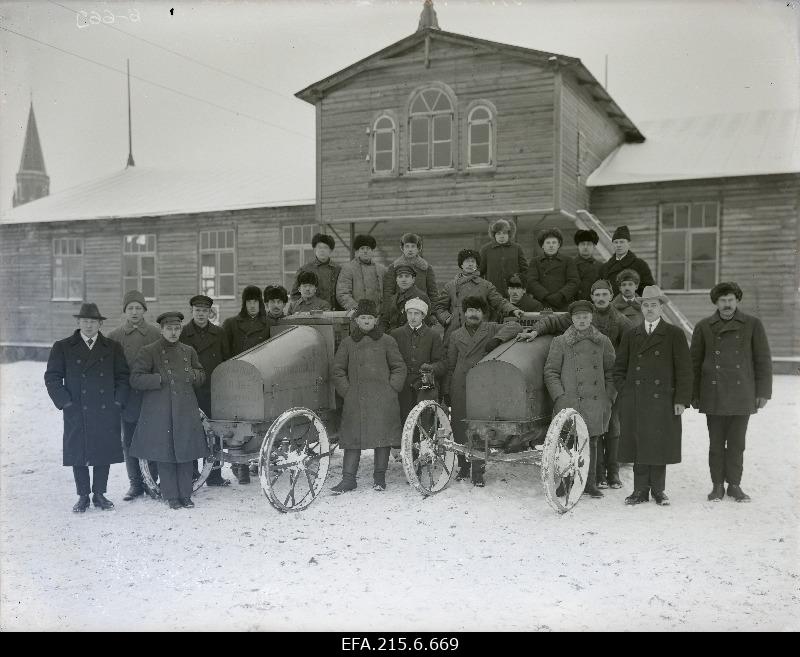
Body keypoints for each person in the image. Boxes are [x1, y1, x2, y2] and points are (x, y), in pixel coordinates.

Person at [522, 279, 632, 488]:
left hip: (606, 383)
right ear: (591, 297)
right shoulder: (576, 318)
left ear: (611, 296)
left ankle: (612, 472)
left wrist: (612, 391)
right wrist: (536, 330)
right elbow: (552, 322)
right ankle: (593, 476)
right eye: (597, 294)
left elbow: (630, 347)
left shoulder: (620, 320)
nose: (600, 298)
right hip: (576, 389)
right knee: (580, 434)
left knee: (611, 428)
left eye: (604, 294)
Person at [690, 282, 772, 503]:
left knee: (737, 443)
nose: (727, 304)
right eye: (723, 300)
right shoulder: (704, 326)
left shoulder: (753, 325)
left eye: (731, 300)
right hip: (712, 393)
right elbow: (694, 363)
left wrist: (764, 391)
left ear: (737, 301)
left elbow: (762, 360)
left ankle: (734, 485)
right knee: (715, 443)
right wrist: (694, 394)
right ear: (716, 302)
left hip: (742, 393)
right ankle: (717, 485)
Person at [45, 302, 130, 513]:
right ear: (78, 322)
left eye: (93, 322)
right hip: (77, 409)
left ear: (100, 324)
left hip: (105, 409)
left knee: (103, 451)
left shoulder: (112, 347)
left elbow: (122, 377)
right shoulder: (63, 346)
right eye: (85, 321)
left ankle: (100, 494)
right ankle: (83, 496)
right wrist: (65, 402)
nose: (89, 325)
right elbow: (52, 377)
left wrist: (117, 401)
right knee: (78, 452)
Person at [613, 286, 692, 506]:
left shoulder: (674, 334)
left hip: (664, 400)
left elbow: (685, 370)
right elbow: (619, 368)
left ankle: (658, 490)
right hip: (636, 399)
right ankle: (639, 491)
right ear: (641, 307)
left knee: (659, 444)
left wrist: (681, 400)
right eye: (646, 305)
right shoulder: (631, 335)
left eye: (654, 305)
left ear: (661, 308)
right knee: (639, 444)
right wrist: (626, 390)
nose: (649, 309)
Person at [129, 312, 208, 510]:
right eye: (169, 329)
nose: (173, 333)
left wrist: (194, 375)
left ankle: (186, 495)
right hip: (160, 410)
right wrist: (158, 379)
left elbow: (201, 375)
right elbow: (135, 379)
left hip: (185, 408)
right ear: (162, 330)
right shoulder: (149, 351)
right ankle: (171, 495)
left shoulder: (188, 351)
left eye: (177, 329)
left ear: (180, 329)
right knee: (165, 454)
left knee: (185, 452)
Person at [444, 296, 523, 487]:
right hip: (461, 385)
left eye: (477, 310)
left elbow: (515, 326)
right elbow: (450, 364)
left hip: (485, 385)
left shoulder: (491, 328)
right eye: (470, 310)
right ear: (464, 313)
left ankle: (477, 470)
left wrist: (496, 339)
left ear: (483, 313)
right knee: (460, 427)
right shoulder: (455, 335)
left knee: (480, 428)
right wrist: (448, 389)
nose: (473, 314)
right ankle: (463, 466)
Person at [331, 299, 407, 493]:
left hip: (383, 398)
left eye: (370, 318)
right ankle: (348, 479)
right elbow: (338, 369)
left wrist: (392, 388)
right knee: (352, 439)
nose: (366, 321)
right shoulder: (348, 343)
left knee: (382, 438)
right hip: (355, 398)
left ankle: (379, 477)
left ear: (376, 320)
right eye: (362, 318)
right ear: (356, 320)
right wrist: (347, 391)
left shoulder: (387, 341)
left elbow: (399, 367)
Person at [543, 300, 616, 499]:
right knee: (567, 443)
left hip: (595, 401)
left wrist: (608, 397)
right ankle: (565, 484)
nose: (582, 320)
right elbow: (551, 372)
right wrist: (560, 396)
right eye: (577, 317)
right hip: (569, 402)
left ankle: (589, 483)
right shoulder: (561, 342)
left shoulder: (603, 341)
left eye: (585, 317)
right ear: (572, 319)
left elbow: (612, 372)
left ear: (591, 318)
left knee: (591, 443)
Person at [107, 290, 162, 501]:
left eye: (138, 308)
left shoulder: (156, 334)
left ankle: (151, 481)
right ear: (125, 311)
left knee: (153, 438)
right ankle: (135, 483)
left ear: (144, 310)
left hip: (151, 396)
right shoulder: (115, 336)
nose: (135, 312)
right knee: (128, 441)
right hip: (128, 398)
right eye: (130, 308)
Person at [179, 294, 230, 487]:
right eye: (197, 310)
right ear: (192, 312)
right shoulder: (183, 334)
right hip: (190, 391)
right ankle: (192, 473)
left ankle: (214, 476)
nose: (201, 314)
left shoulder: (219, 333)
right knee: (192, 433)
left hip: (213, 391)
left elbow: (226, 360)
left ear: (210, 312)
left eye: (205, 311)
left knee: (215, 432)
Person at [434, 249, 522, 344]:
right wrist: (447, 319)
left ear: (476, 265)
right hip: (454, 331)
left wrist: (513, 310)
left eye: (473, 261)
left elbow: (499, 301)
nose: (470, 264)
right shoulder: (450, 286)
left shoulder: (486, 285)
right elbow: (440, 307)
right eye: (467, 261)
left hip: (478, 330)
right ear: (461, 265)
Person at [389, 297, 445, 423]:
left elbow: (442, 364)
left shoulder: (433, 336)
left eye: (417, 313)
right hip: (402, 388)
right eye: (409, 313)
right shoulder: (395, 335)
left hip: (425, 387)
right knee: (404, 424)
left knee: (424, 423)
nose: (412, 317)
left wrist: (431, 368)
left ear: (423, 316)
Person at [526, 227, 579, 311]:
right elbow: (531, 282)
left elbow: (574, 281)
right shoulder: (535, 261)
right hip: (541, 304)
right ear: (542, 245)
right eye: (548, 243)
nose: (551, 245)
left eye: (554, 242)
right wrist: (546, 296)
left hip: (564, 304)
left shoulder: (568, 261)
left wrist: (560, 295)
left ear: (558, 245)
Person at [382, 233, 438, 306]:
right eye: (407, 246)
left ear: (418, 248)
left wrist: (432, 311)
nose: (410, 249)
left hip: (420, 308)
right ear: (402, 248)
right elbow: (388, 292)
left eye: (413, 246)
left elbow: (433, 293)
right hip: (399, 308)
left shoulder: (426, 268)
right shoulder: (394, 267)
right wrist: (390, 311)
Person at [479, 218, 528, 298]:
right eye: (498, 233)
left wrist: (520, 286)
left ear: (509, 234)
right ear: (494, 235)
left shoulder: (517, 248)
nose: (502, 236)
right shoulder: (485, 250)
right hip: (493, 294)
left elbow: (525, 271)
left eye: (504, 233)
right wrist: (484, 289)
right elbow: (479, 272)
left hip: (513, 294)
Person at [599, 225, 655, 297]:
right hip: (611, 307)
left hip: (633, 306)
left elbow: (649, 290)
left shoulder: (640, 265)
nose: (618, 245)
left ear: (629, 244)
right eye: (616, 242)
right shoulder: (605, 268)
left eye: (622, 242)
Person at [290, 233, 341, 310]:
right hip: (312, 313)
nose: (322, 250)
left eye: (325, 247)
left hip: (335, 312)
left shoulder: (338, 269)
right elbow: (294, 294)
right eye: (319, 247)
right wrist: (305, 308)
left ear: (330, 250)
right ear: (314, 250)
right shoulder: (305, 269)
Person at [336, 234, 387, 311]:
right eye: (362, 248)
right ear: (357, 251)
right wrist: (357, 309)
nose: (365, 251)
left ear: (372, 251)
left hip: (379, 315)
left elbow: (388, 292)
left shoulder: (382, 270)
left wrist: (383, 310)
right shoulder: (348, 269)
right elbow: (343, 293)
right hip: (357, 315)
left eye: (368, 248)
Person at [378, 264, 433, 332]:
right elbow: (384, 320)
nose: (403, 280)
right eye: (400, 277)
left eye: (407, 276)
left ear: (413, 279)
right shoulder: (393, 298)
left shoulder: (421, 297)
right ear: (396, 280)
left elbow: (425, 325)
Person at [222, 285, 269, 357]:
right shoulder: (231, 324)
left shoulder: (269, 324)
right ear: (244, 304)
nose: (252, 305)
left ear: (260, 303)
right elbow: (224, 351)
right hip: (238, 366)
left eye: (255, 301)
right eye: (249, 302)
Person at [573, 229, 602, 302]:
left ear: (594, 247)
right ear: (578, 246)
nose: (585, 247)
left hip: (594, 306)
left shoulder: (600, 267)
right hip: (574, 305)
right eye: (583, 244)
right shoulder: (569, 265)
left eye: (589, 244)